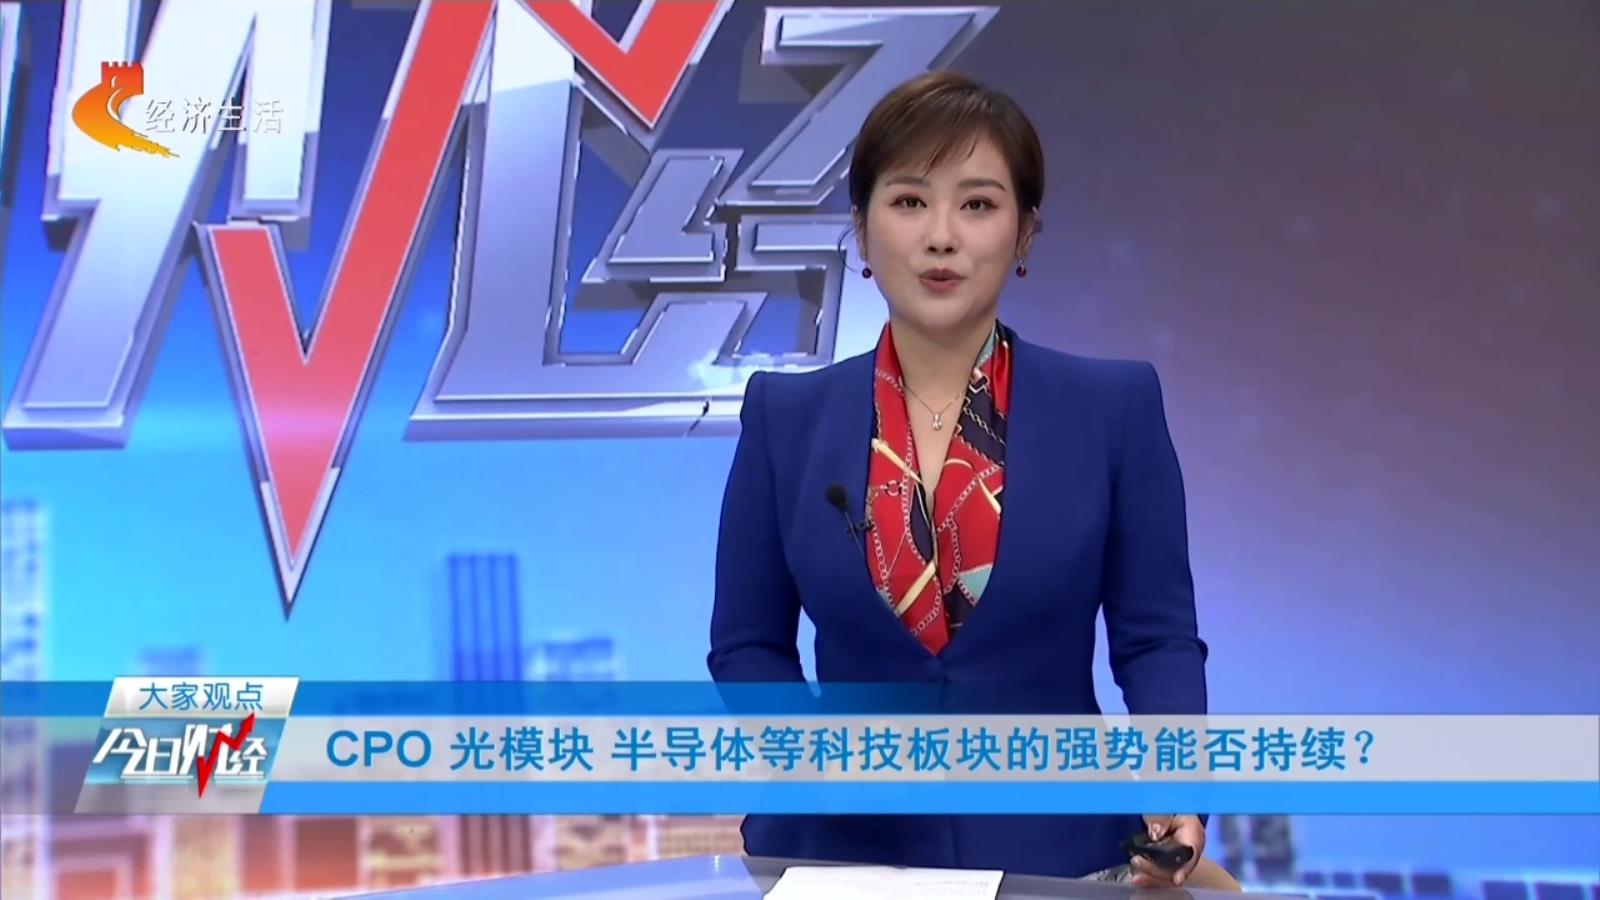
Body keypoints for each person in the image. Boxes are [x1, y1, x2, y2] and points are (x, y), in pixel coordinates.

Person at [707, 70, 1214, 888]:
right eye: (909, 201)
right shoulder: (785, 416)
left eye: (977, 204)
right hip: (838, 857)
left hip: (1059, 857)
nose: (941, 237)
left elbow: (1155, 637)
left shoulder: (1112, 408)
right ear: (861, 231)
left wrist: (1177, 784)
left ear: (1025, 234)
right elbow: (746, 644)